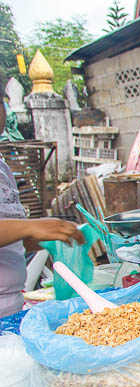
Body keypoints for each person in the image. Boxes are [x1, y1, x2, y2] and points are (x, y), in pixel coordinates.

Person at [0, 90, 83, 317]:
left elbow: (12, 241)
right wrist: (30, 226)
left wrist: (48, 239)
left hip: (12, 308)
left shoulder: (3, 169)